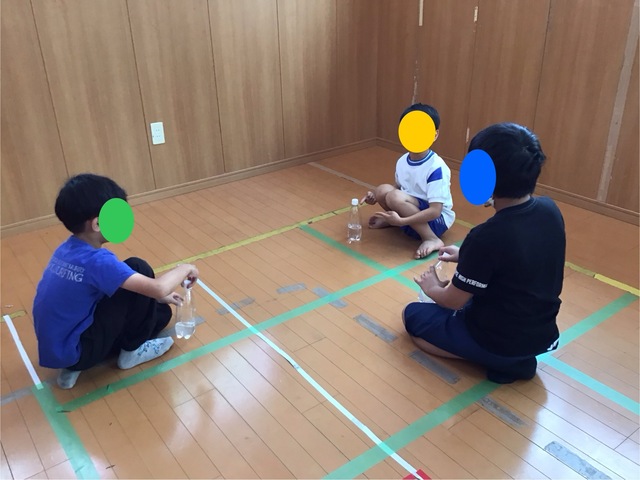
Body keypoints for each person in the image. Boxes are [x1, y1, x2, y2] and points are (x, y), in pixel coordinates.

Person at [403, 123, 566, 384]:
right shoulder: (550, 210)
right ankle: (511, 358)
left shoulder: (487, 235)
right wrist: (465, 255)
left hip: (498, 339)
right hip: (541, 333)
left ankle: (496, 360)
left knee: (412, 316)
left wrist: (431, 287)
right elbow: (521, 258)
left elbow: (452, 301)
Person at [32, 174, 199, 389]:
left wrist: (160, 298)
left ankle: (71, 370)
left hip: (62, 348)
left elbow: (99, 289)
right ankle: (131, 353)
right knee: (138, 267)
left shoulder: (67, 249)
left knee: (160, 311)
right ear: (97, 223)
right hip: (80, 350)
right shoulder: (97, 261)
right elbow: (158, 288)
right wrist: (186, 268)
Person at [361, 103, 455, 259]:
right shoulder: (403, 161)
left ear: (434, 135)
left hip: (436, 221)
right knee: (382, 190)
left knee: (394, 196)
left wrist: (403, 221)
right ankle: (394, 221)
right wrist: (375, 196)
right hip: (412, 210)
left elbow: (435, 211)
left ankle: (431, 238)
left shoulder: (436, 167)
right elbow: (398, 187)